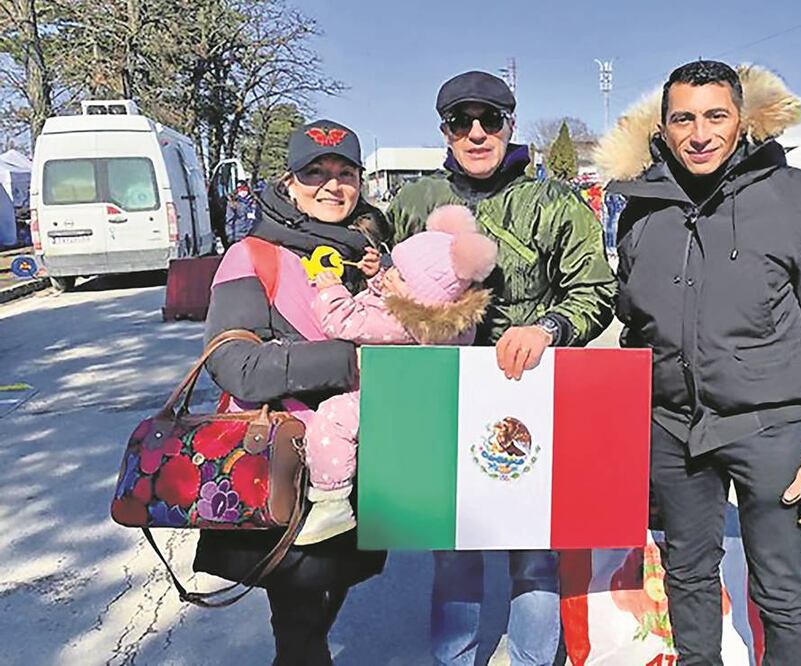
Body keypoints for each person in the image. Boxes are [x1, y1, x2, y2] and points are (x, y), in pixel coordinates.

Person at [602, 59, 801, 665]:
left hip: (767, 429)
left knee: (779, 588)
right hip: (673, 430)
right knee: (687, 577)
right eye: (684, 119)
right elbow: (635, 323)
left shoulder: (797, 199)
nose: (699, 134)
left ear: (740, 121)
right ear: (665, 128)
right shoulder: (641, 209)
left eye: (714, 116)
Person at [385, 70, 616, 666]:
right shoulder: (413, 203)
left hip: (530, 393)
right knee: (453, 546)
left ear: (511, 124)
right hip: (443, 394)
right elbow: (374, 279)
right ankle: (455, 658)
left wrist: (550, 328)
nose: (478, 133)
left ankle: (535, 659)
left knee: (533, 549)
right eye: (463, 122)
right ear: (445, 131)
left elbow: (594, 287)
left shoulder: (553, 202)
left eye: (491, 119)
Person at [197, 119, 389, 665]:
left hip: (356, 464)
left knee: (325, 604)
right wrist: (348, 363)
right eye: (315, 173)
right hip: (289, 468)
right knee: (300, 624)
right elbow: (235, 365)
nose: (332, 186)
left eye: (345, 173)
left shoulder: (367, 254)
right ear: (288, 182)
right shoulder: (252, 255)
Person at [298, 205, 498, 545]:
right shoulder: (441, 321)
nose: (392, 275)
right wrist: (379, 276)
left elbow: (344, 321)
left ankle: (331, 499)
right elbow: (396, 296)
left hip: (389, 399)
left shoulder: (401, 320)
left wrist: (328, 287)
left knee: (334, 419)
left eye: (400, 276)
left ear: (419, 298)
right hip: (410, 396)